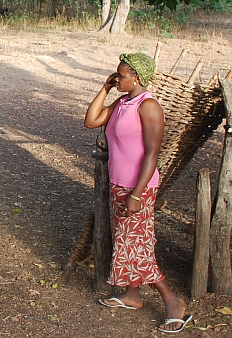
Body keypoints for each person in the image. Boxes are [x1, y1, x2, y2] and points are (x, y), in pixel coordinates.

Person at [84, 53, 192, 333]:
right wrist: (107, 88)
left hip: (138, 189)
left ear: (137, 78)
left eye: (120, 76)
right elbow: (91, 120)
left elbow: (152, 154)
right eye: (116, 75)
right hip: (119, 184)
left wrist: (136, 194)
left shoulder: (149, 107)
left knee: (138, 247)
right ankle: (132, 295)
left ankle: (173, 302)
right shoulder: (123, 102)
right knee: (127, 242)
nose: (117, 78)